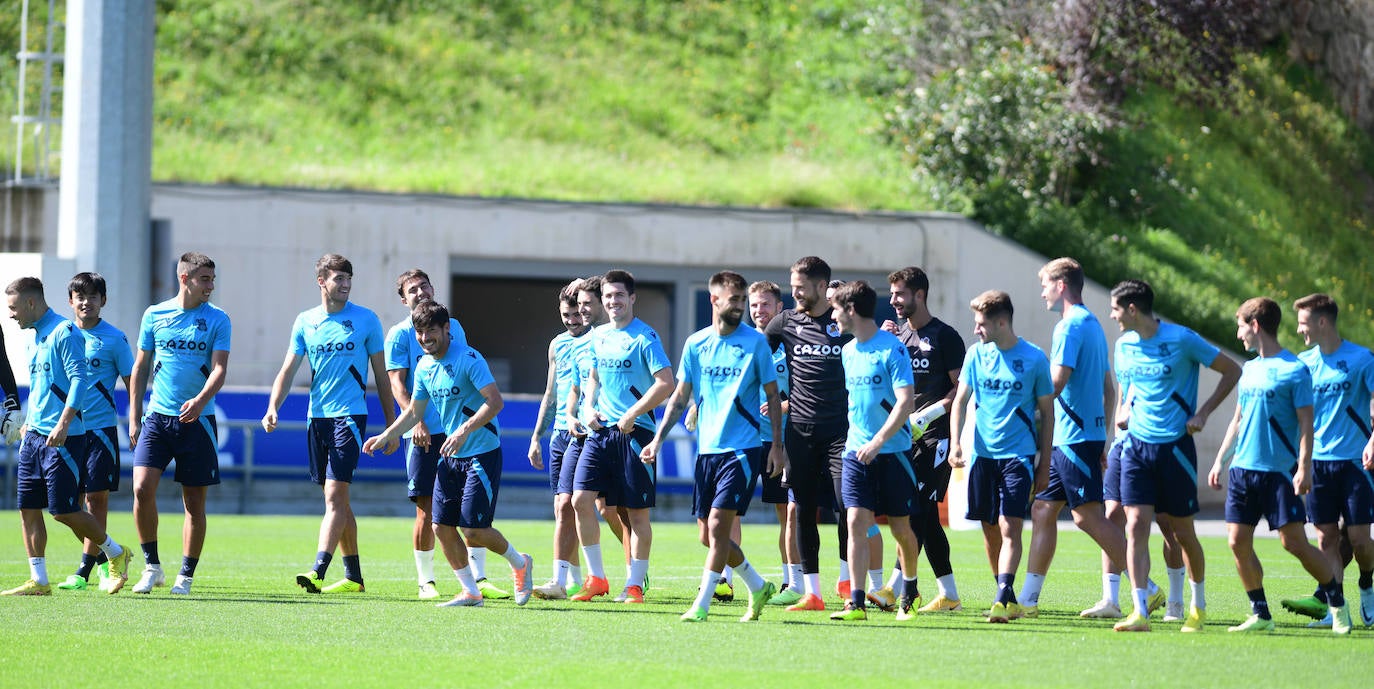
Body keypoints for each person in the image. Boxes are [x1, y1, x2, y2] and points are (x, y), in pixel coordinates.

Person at [363, 300, 533, 608]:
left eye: (431, 331)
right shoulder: (425, 367)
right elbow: (414, 412)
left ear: (446, 329)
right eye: (420, 332)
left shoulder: (469, 358)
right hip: (451, 457)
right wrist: (387, 434)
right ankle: (470, 592)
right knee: (440, 526)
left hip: (481, 453)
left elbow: (495, 402)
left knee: (474, 531)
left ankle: (520, 563)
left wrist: (464, 429)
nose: (425, 338)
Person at [1020, 258, 1161, 618]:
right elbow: (1108, 388)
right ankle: (1028, 600)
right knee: (1042, 510)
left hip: (1074, 437)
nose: (1042, 292)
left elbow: (1056, 382)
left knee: (1087, 517)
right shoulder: (1093, 324)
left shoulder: (1069, 327)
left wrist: (1018, 402)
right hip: (1078, 436)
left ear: (1061, 285)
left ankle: (1148, 588)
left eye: (1045, 285)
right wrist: (1103, 433)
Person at [642, 270, 783, 622]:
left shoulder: (756, 343)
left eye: (742, 300)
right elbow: (680, 397)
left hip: (743, 449)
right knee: (708, 535)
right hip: (707, 450)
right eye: (733, 299)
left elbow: (772, 394)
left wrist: (777, 446)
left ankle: (701, 605)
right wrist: (658, 439)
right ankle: (758, 584)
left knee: (720, 525)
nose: (739, 306)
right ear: (714, 300)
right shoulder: (696, 343)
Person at [1206, 297, 1351, 634]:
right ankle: (1261, 614)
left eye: (1241, 326)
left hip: (1278, 474)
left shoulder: (1294, 369)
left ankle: (1337, 601)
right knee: (1237, 542)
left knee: (1294, 543)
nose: (1239, 334)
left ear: (1255, 325)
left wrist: (1304, 467)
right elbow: (1238, 420)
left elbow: (1306, 425)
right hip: (1243, 470)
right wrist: (1220, 460)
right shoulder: (1249, 369)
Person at [1108, 279, 1240, 632]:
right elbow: (1126, 384)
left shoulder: (1182, 339)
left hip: (1175, 449)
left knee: (1182, 532)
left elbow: (1232, 370)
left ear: (1132, 309)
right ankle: (1139, 611)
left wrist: (1204, 413)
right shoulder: (1123, 345)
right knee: (1135, 525)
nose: (1112, 315)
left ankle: (1197, 605)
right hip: (1136, 447)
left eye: (1116, 309)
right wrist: (1123, 409)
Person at [262, 254, 396, 594]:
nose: (346, 284)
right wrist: (272, 407)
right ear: (321, 281)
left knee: (335, 496)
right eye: (339, 278)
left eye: (349, 278)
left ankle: (318, 570)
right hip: (316, 419)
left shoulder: (366, 320)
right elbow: (288, 370)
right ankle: (354, 577)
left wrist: (391, 426)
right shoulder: (305, 321)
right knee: (338, 500)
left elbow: (382, 377)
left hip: (349, 417)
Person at [2, 277, 131, 596]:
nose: (11, 315)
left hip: (64, 437)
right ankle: (39, 579)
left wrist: (63, 423)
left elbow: (79, 379)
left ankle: (115, 552)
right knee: (27, 507)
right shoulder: (33, 337)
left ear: (31, 303)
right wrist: (26, 422)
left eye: (14, 308)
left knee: (62, 510)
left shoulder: (65, 331)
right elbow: (41, 387)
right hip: (33, 436)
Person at [384, 269, 506, 600]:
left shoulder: (454, 327)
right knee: (428, 509)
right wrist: (416, 423)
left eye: (424, 286)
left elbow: (462, 370)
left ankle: (479, 579)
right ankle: (426, 581)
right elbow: (397, 383)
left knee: (470, 513)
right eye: (412, 289)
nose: (420, 292)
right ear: (403, 299)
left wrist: (467, 424)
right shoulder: (399, 335)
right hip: (422, 432)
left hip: (459, 431)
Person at [128, 252, 232, 596]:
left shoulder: (218, 319)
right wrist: (134, 416)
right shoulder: (154, 314)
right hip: (157, 418)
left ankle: (185, 577)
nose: (211, 286)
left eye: (212, 279)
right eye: (205, 279)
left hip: (199, 421)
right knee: (141, 489)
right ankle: (152, 567)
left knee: (194, 503)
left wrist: (200, 401)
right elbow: (140, 367)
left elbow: (219, 369)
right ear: (185, 279)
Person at [568, 269, 674, 603]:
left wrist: (632, 414)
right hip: (600, 432)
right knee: (580, 500)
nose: (613, 301)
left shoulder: (645, 337)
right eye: (608, 296)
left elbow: (666, 383)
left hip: (635, 433)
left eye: (619, 295)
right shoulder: (598, 336)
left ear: (632, 298)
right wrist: (587, 407)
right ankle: (597, 578)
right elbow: (593, 377)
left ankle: (634, 585)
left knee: (635, 513)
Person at [949, 290, 1054, 623]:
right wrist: (955, 443)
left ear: (1002, 323)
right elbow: (960, 401)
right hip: (982, 456)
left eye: (981, 324)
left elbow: (1048, 414)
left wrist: (1044, 464)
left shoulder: (1034, 358)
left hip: (1018, 456)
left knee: (1010, 526)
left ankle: (1001, 597)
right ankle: (1006, 595)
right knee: (990, 528)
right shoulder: (975, 354)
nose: (976, 329)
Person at [827, 280, 924, 622]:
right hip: (855, 452)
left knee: (900, 528)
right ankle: (856, 602)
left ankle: (910, 589)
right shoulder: (847, 352)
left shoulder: (892, 349)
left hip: (893, 452)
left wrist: (879, 441)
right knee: (855, 520)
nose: (833, 316)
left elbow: (906, 402)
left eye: (836, 309)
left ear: (851, 310)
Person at [763, 257, 855, 612]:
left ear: (821, 286)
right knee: (802, 509)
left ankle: (847, 581)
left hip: (841, 433)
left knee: (847, 507)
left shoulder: (844, 322)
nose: (795, 293)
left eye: (801, 287)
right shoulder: (785, 322)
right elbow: (755, 356)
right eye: (793, 287)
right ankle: (812, 592)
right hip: (799, 433)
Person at [1279, 293, 1374, 627]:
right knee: (1326, 538)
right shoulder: (1304, 363)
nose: (1299, 330)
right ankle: (1337, 608)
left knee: (1360, 541)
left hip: (1355, 463)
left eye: (1303, 323)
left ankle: (1367, 583)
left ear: (1322, 322)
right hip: (1318, 463)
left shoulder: (1362, 358)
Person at [881, 266, 966, 612]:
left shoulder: (945, 336)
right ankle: (950, 595)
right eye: (892, 294)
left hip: (935, 437)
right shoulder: (896, 336)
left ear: (919, 294)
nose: (893, 301)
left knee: (916, 509)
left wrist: (929, 414)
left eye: (899, 294)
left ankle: (894, 587)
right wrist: (882, 342)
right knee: (925, 515)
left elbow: (961, 389)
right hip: (903, 438)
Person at [54, 273, 134, 592]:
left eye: (93, 296)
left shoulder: (115, 338)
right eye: (80, 297)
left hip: (101, 430)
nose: (86, 302)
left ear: (104, 300)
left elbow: (132, 381)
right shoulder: (62, 334)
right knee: (66, 505)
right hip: (68, 430)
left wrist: (135, 419)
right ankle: (107, 558)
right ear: (70, 301)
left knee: (95, 498)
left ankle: (85, 571)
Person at [528, 280, 589, 599]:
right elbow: (550, 393)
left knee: (606, 509)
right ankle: (572, 580)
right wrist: (536, 436)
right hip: (559, 435)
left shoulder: (597, 339)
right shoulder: (557, 345)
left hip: (587, 433)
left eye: (577, 314)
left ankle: (635, 569)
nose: (572, 320)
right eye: (567, 315)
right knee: (563, 507)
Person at [747, 280, 804, 606]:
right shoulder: (742, 343)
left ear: (779, 308)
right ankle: (724, 581)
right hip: (743, 439)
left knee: (787, 514)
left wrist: (784, 405)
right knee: (727, 512)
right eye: (754, 305)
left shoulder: (790, 345)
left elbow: (809, 391)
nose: (759, 310)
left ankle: (790, 580)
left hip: (779, 442)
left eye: (765, 304)